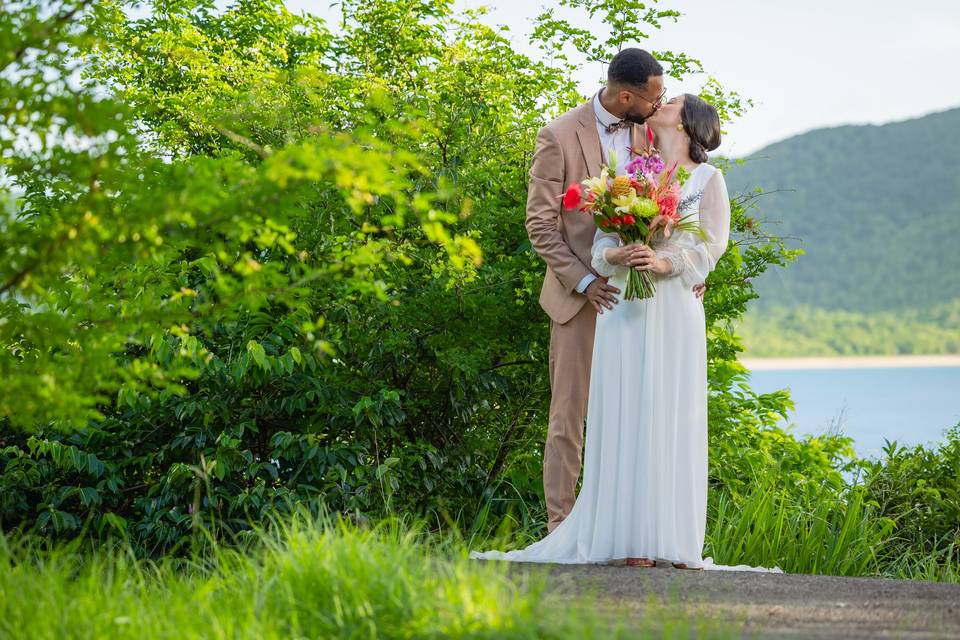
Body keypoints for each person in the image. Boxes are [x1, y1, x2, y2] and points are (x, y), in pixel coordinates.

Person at [470, 91, 783, 573]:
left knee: (668, 413)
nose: (663, 101)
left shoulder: (709, 178)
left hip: (674, 310)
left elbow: (710, 249)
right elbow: (600, 241)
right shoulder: (635, 170)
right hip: (622, 308)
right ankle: (624, 536)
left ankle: (671, 539)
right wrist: (616, 256)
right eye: (660, 94)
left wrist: (663, 260)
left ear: (688, 123)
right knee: (622, 412)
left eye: (673, 101)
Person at [520, 47, 705, 534]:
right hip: (580, 297)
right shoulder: (557, 136)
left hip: (642, 302)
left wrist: (687, 267)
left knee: (636, 414)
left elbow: (685, 204)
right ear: (627, 96)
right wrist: (585, 283)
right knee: (569, 417)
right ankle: (561, 528)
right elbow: (541, 226)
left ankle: (624, 529)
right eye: (653, 96)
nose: (658, 103)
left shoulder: (654, 134)